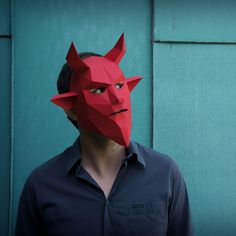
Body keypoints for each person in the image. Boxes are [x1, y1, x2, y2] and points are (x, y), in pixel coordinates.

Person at [15, 34, 193, 236]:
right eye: (99, 90)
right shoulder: (41, 184)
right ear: (71, 109)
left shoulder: (165, 173)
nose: (117, 98)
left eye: (119, 85)